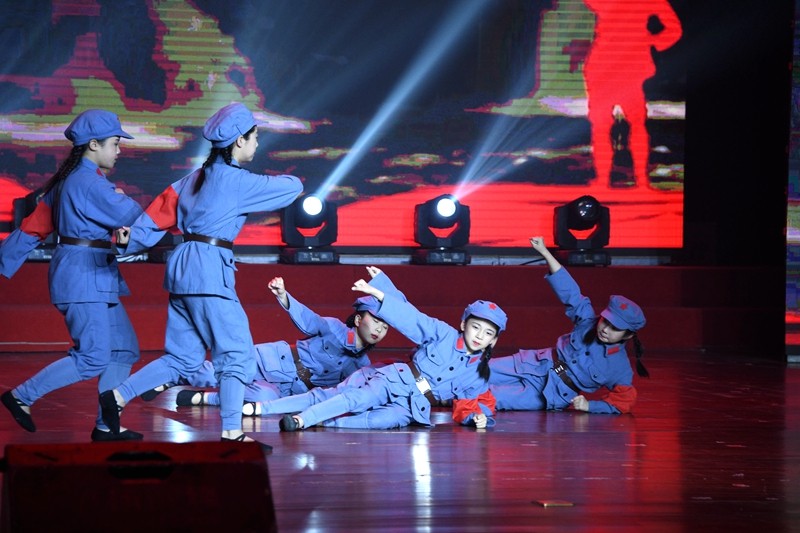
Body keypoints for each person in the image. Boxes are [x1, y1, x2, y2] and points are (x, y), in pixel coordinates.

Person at [98, 102, 303, 443]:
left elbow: (152, 221)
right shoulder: (237, 181)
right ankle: (232, 432)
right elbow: (292, 188)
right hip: (210, 269)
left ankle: (118, 396)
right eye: (255, 137)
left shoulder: (191, 180)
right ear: (239, 141)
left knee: (183, 358)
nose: (257, 143)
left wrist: (127, 241)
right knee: (236, 354)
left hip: (182, 269)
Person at [0, 109, 145, 441]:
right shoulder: (89, 183)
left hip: (92, 274)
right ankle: (22, 396)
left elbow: (33, 228)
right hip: (84, 276)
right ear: (94, 145)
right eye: (115, 143)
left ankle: (107, 426)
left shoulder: (69, 181)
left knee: (123, 350)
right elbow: (137, 217)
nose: (119, 150)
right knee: (93, 357)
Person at [262, 267, 507, 431]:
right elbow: (410, 317)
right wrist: (380, 290)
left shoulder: (478, 374)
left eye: (488, 333)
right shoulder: (443, 333)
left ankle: (325, 422)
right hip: (397, 379)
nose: (479, 336)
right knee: (357, 398)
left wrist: (477, 418)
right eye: (476, 327)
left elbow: (473, 404)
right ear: (464, 325)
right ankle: (301, 419)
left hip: (414, 405)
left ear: (494, 340)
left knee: (380, 420)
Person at [146, 272, 391, 414]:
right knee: (214, 373)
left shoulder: (361, 365)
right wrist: (284, 295)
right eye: (376, 321)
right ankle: (167, 377)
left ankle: (203, 399)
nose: (379, 329)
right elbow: (308, 320)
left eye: (385, 327)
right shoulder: (334, 327)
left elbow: (361, 390)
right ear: (358, 319)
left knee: (262, 397)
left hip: (286, 388)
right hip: (272, 360)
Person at [488, 236, 649, 414]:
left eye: (615, 328)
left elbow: (625, 400)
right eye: (605, 321)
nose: (605, 329)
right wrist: (545, 252)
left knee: (491, 398)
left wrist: (590, 406)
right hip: (534, 363)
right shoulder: (588, 321)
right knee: (475, 371)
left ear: (628, 335)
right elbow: (570, 292)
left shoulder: (619, 367)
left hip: (551, 392)